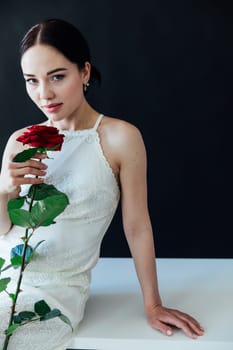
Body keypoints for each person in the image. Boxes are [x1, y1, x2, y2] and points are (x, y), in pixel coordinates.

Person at [0, 18, 204, 350]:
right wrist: (3, 191)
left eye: (57, 77)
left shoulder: (120, 138)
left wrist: (153, 304)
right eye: (31, 81)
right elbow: (3, 230)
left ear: (84, 72)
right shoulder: (20, 141)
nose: (44, 94)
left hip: (54, 292)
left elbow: (137, 225)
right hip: (5, 277)